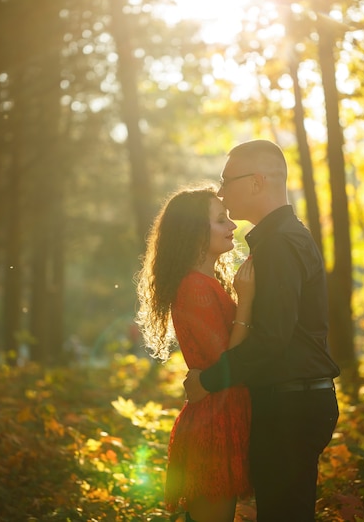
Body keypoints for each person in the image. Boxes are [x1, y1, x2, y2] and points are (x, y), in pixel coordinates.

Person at [184, 140, 340, 522]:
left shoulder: (281, 244)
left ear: (257, 182)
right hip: (291, 400)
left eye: (227, 181)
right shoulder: (277, 240)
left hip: (291, 405)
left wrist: (210, 379)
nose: (221, 191)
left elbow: (272, 337)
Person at [135, 186, 255, 522]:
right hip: (214, 421)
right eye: (221, 220)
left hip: (223, 411)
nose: (232, 226)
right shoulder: (194, 287)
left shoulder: (208, 282)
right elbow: (228, 362)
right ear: (195, 233)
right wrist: (246, 300)